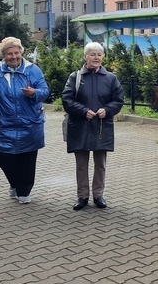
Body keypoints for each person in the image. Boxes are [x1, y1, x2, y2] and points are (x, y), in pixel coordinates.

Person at [0, 36, 50, 204]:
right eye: (9, 54)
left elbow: (45, 91)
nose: (13, 57)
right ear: (3, 55)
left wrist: (34, 93)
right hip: (3, 122)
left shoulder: (33, 70)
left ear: (21, 52)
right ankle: (14, 182)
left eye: (16, 52)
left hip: (29, 122)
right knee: (1, 157)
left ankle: (24, 191)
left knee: (27, 159)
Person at [62, 42, 124, 211]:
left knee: (100, 163)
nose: (96, 57)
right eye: (92, 54)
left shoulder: (111, 78)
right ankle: (82, 196)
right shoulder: (75, 77)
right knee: (81, 164)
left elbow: (118, 100)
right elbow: (67, 100)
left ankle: (98, 195)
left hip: (102, 125)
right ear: (85, 57)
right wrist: (83, 111)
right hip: (80, 125)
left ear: (103, 57)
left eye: (99, 54)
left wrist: (108, 110)